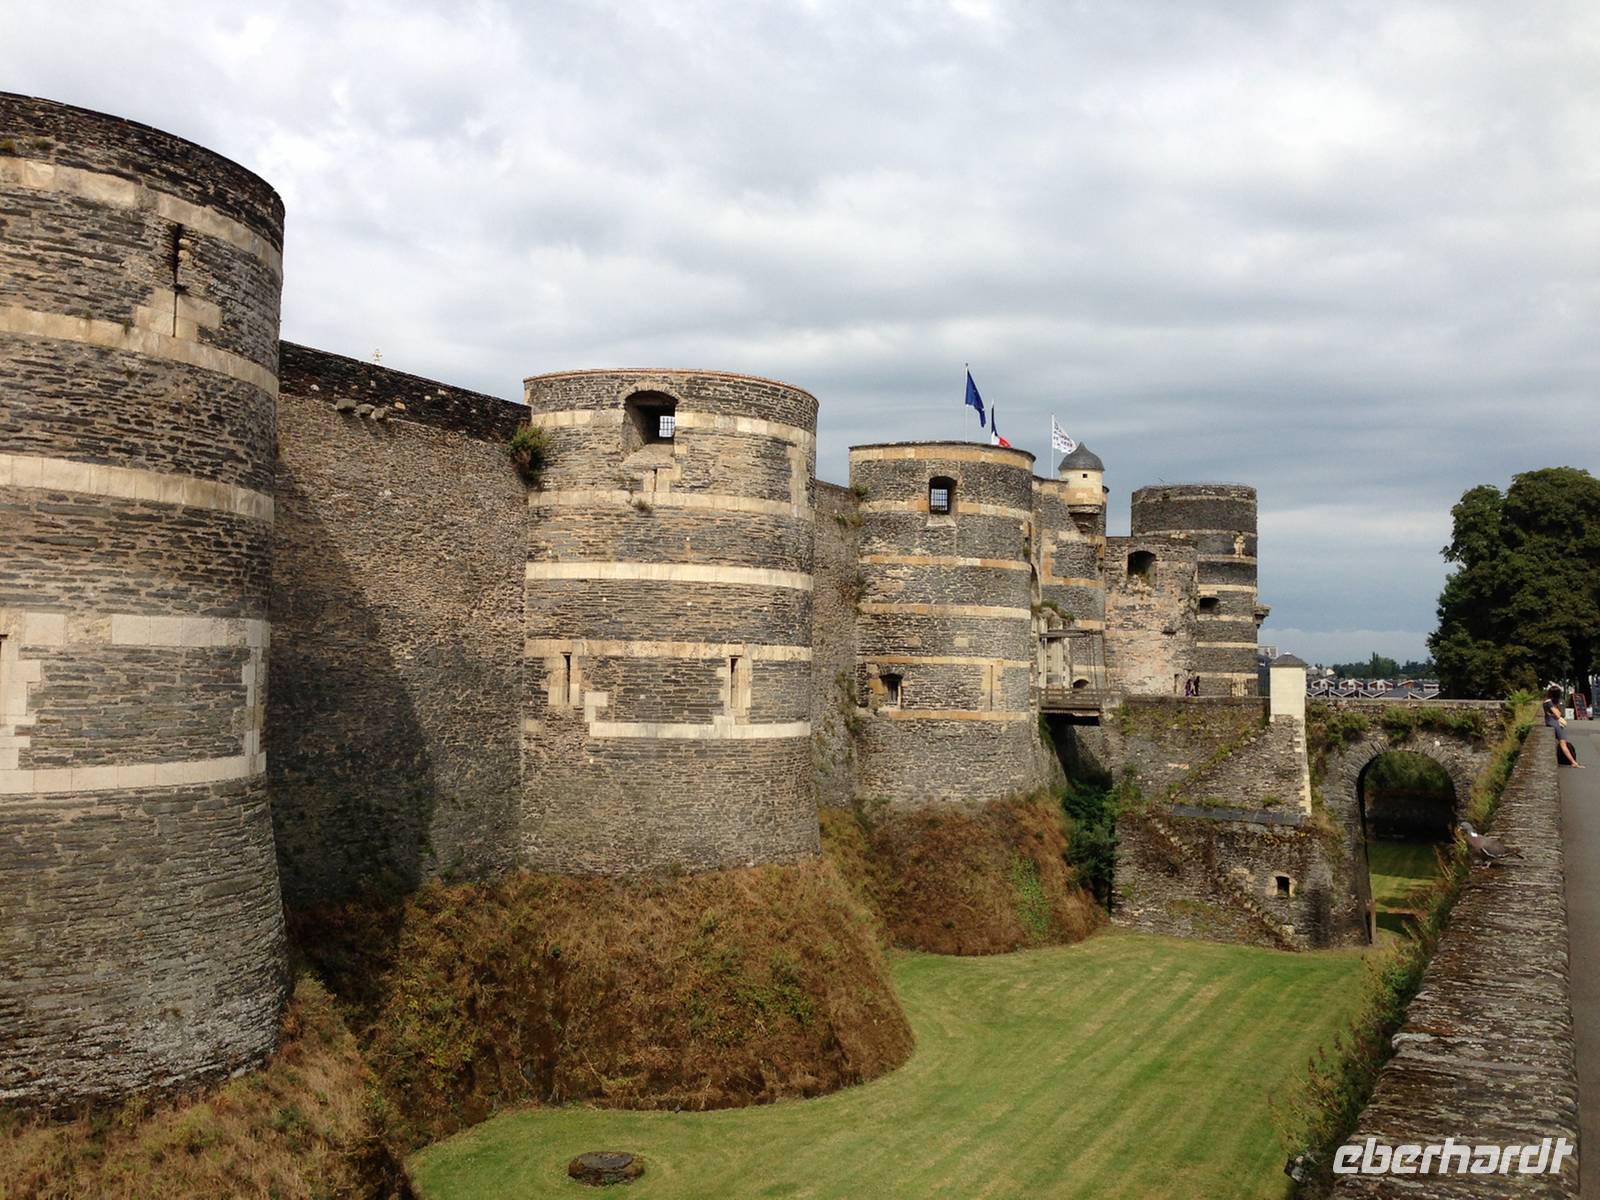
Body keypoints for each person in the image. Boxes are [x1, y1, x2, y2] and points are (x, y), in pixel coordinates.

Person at [1546, 686, 1582, 767]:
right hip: (1556, 724)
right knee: (1563, 743)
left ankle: (1571, 761)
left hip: (1551, 722)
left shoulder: (1548, 702)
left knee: (1561, 743)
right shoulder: (1553, 702)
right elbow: (1559, 715)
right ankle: (1573, 762)